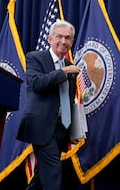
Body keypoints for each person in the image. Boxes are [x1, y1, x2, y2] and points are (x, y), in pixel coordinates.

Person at [17, 20, 81, 190]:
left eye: (68, 38)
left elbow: (68, 99)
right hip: (41, 126)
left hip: (61, 129)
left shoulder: (69, 66)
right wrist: (62, 72)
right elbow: (36, 84)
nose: (63, 41)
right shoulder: (35, 57)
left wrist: (72, 130)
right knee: (52, 176)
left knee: (42, 176)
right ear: (49, 39)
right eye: (59, 36)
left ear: (72, 42)